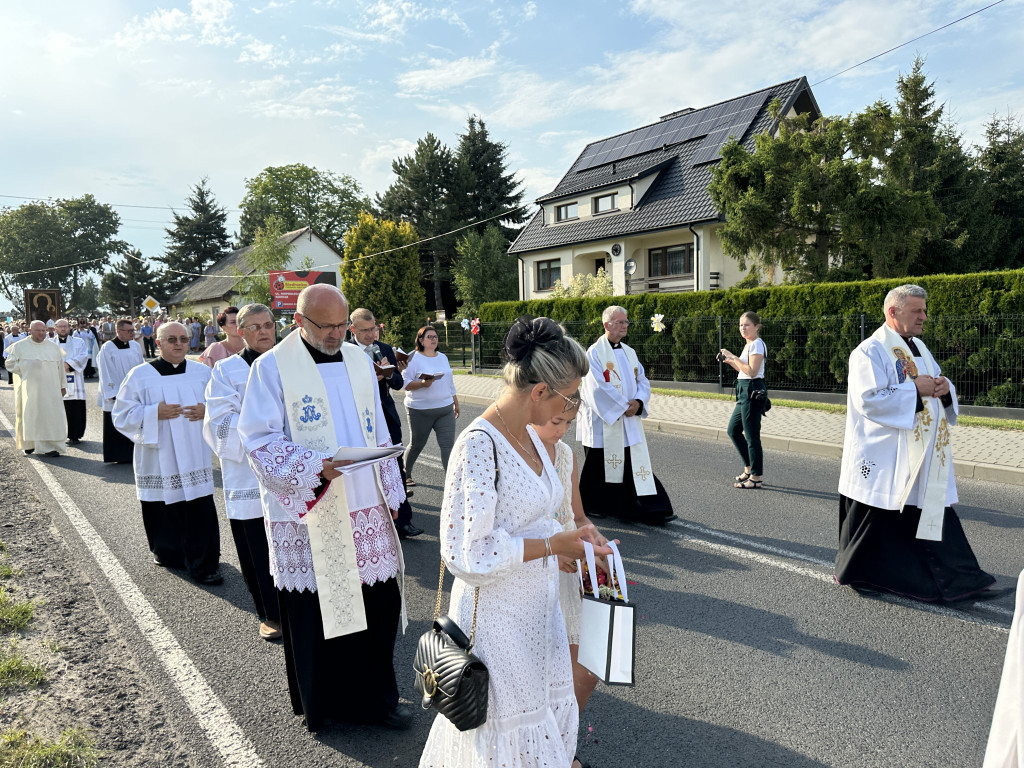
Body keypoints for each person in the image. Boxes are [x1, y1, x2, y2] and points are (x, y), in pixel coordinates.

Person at [418, 315, 614, 768]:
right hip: (496, 622)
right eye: (571, 399)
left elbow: (540, 518)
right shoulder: (479, 445)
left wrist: (575, 540)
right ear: (540, 391)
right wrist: (554, 546)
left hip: (535, 610)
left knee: (540, 720)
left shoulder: (533, 437)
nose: (573, 410)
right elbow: (469, 553)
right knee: (503, 734)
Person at [238, 284, 412, 732]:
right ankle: (327, 706)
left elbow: (376, 431)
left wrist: (392, 496)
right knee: (318, 613)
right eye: (327, 326)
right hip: (312, 509)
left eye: (342, 325)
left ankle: (377, 701)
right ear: (298, 321)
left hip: (366, 505)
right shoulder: (272, 368)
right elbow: (257, 439)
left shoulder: (358, 358)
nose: (338, 334)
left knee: (377, 608)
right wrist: (316, 468)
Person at [834, 284, 1003, 603]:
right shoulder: (869, 351)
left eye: (924, 310)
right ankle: (860, 572)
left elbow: (933, 380)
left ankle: (957, 579)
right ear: (893, 312)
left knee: (930, 510)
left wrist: (943, 386)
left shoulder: (920, 349)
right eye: (917, 311)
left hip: (923, 452)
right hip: (885, 454)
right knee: (876, 515)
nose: (924, 316)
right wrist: (916, 390)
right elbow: (868, 400)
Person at [112, 322, 222, 585]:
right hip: (158, 454)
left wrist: (208, 411)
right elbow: (121, 415)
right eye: (171, 339)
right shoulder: (140, 375)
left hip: (194, 454)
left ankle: (205, 564)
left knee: (198, 507)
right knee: (162, 506)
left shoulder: (202, 373)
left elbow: (222, 404)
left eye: (184, 338)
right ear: (158, 343)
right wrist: (153, 413)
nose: (179, 344)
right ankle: (168, 553)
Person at [203, 303, 281, 641]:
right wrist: (264, 438)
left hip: (289, 471)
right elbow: (219, 420)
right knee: (257, 546)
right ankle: (271, 613)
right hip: (248, 472)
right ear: (242, 331)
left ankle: (302, 608)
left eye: (268, 324)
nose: (264, 331)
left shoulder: (290, 364)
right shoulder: (226, 370)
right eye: (255, 326)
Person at [532, 404, 607, 741]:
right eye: (555, 421)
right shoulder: (518, 454)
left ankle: (560, 741)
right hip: (532, 572)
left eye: (569, 423)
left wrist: (592, 534)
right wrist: (551, 549)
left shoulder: (565, 454)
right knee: (540, 674)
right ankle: (543, 748)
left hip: (567, 573)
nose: (562, 429)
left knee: (586, 671)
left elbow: (576, 515)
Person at [577, 305, 676, 526]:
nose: (625, 325)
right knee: (598, 465)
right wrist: (624, 406)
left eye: (626, 322)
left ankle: (651, 508)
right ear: (606, 325)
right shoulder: (594, 353)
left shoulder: (630, 352)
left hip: (627, 418)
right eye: (620, 322)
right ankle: (593, 506)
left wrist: (639, 402)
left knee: (633, 463)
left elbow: (643, 381)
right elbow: (596, 388)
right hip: (605, 421)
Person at [350, 308, 422, 539]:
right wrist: (369, 377)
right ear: (352, 330)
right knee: (366, 470)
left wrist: (389, 374)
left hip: (386, 416)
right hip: (359, 419)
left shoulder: (385, 349)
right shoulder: (344, 352)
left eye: (374, 329)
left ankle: (404, 521)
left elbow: (399, 383)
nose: (372, 335)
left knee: (395, 467)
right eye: (365, 330)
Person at [402, 325, 459, 486]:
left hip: (445, 409)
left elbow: (450, 382)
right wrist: (422, 384)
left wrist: (455, 401)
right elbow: (404, 383)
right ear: (420, 340)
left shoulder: (443, 357)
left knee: (448, 446)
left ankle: (451, 482)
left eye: (435, 337)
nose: (434, 339)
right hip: (420, 410)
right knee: (416, 445)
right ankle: (406, 474)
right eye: (429, 337)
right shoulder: (412, 358)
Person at [720, 311, 768, 489]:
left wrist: (733, 356)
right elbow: (743, 369)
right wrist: (731, 361)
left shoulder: (756, 344)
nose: (743, 328)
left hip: (752, 392)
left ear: (757, 327)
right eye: (741, 325)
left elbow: (752, 372)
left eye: (747, 325)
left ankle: (756, 478)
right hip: (743, 392)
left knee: (752, 436)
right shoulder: (749, 345)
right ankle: (748, 468)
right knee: (733, 430)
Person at [5, 321, 67, 457]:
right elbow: (9, 363)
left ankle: (50, 446)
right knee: (31, 415)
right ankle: (30, 443)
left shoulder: (53, 347)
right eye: (38, 330)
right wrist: (26, 369)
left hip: (51, 389)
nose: (41, 333)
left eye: (43, 330)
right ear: (30, 330)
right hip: (30, 389)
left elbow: (60, 369)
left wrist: (63, 386)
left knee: (50, 417)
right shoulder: (19, 346)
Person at [96, 319, 145, 463]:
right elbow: (106, 371)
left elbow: (141, 368)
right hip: (116, 392)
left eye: (133, 331)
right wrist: (114, 393)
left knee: (134, 421)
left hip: (135, 392)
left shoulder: (135, 346)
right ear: (119, 331)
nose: (132, 333)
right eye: (129, 331)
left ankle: (134, 453)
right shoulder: (108, 348)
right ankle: (118, 455)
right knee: (116, 421)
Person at [51, 319, 89, 446]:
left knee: (75, 407)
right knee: (60, 407)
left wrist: (69, 364)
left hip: (75, 378)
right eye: (60, 327)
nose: (63, 329)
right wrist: (61, 367)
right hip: (57, 379)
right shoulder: (50, 343)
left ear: (69, 328)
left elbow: (84, 356)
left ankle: (75, 435)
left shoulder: (79, 342)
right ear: (55, 328)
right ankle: (60, 434)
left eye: (65, 327)